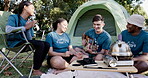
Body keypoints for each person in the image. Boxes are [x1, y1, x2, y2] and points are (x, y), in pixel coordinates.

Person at [5, 1, 49, 75]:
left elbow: (29, 38)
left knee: (47, 44)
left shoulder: (29, 21)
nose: (33, 10)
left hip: (25, 42)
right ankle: (36, 70)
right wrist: (25, 27)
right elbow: (8, 30)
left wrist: (29, 27)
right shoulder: (13, 17)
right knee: (40, 45)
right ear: (25, 7)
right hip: (14, 43)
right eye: (32, 8)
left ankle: (37, 66)